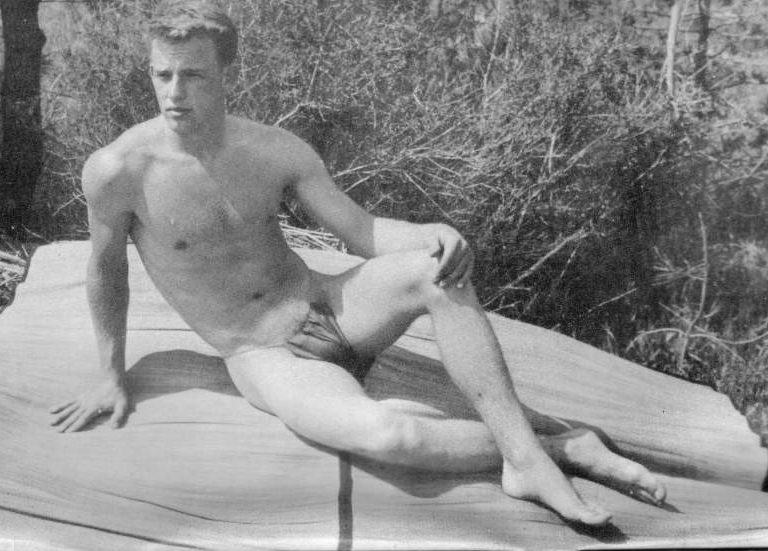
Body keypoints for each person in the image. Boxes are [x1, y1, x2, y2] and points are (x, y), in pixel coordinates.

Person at [49, 0, 666, 526]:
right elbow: (105, 269)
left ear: (227, 72)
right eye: (162, 75)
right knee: (394, 435)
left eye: (193, 76)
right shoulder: (118, 170)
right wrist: (110, 372)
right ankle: (565, 449)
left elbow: (361, 231)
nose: (174, 93)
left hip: (331, 306)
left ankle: (524, 461)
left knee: (434, 268)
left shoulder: (274, 149)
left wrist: (430, 234)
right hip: (264, 354)